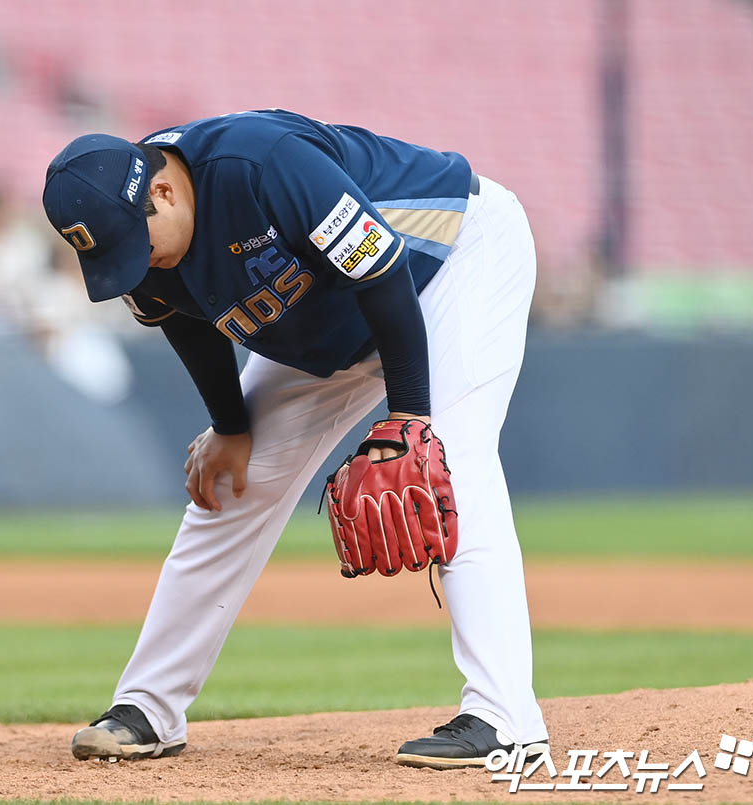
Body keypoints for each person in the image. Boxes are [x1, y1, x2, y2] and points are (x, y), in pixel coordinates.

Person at [41, 109, 548, 769]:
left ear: (162, 192)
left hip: (449, 261)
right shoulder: (148, 240)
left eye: (136, 246)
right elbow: (187, 323)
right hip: (322, 321)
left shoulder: (261, 164)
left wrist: (409, 416)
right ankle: (148, 706)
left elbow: (382, 267)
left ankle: (505, 715)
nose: (138, 265)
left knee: (448, 462)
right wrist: (231, 426)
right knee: (227, 486)